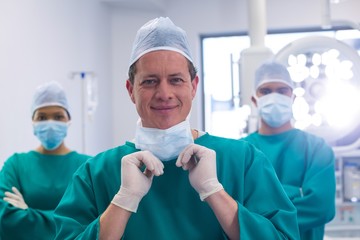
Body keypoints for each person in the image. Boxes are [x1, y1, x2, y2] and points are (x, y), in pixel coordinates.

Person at [53, 17, 300, 240]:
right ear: (130, 90)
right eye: (150, 82)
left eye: (176, 80)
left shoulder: (243, 161)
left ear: (193, 86)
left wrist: (214, 192)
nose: (164, 94)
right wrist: (124, 200)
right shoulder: (97, 173)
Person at [243, 61, 336, 240]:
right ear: (255, 99)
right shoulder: (241, 151)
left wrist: (257, 204)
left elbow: (321, 207)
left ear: (292, 97)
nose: (274, 96)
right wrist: (296, 192)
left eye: (282, 90)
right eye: (266, 91)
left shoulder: (317, 148)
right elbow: (231, 206)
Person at [0, 81, 91, 240]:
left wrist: (29, 215)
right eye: (42, 117)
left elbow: (93, 222)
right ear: (33, 121)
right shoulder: (15, 165)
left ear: (68, 120)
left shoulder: (88, 166)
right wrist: (67, 223)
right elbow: (6, 219)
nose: (50, 123)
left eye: (58, 116)